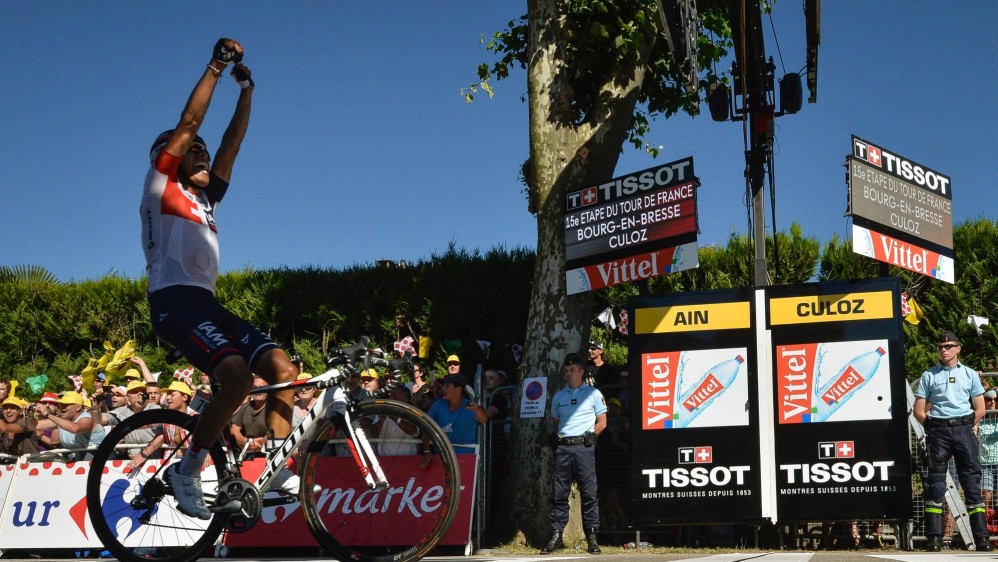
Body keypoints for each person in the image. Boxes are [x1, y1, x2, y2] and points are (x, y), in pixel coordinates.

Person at [141, 38, 298, 519]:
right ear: (169, 156)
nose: (203, 152)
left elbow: (231, 142)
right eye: (195, 151)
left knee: (282, 371)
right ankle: (185, 469)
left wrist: (247, 88)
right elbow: (191, 125)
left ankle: (273, 464)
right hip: (173, 302)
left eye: (203, 151)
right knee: (234, 377)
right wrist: (216, 66)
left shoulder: (206, 199)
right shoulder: (161, 185)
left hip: (207, 304)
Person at [914, 330, 993, 552]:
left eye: (949, 346)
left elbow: (980, 408)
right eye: (941, 346)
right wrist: (933, 428)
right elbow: (919, 411)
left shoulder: (969, 374)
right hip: (938, 432)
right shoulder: (929, 375)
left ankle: (982, 539)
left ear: (958, 348)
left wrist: (966, 427)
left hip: (963, 431)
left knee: (971, 484)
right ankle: (934, 539)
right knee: (935, 484)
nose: (944, 349)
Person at [541, 352, 607, 555]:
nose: (568, 373)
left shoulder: (594, 394)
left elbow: (602, 422)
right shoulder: (559, 396)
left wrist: (592, 436)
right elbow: (556, 423)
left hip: (583, 447)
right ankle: (557, 533)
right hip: (563, 448)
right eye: (566, 370)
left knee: (589, 493)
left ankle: (592, 536)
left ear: (581, 371)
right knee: (559, 493)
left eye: (572, 370)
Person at [28, 392, 106, 462]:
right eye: (61, 405)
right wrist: (30, 415)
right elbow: (36, 427)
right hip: (78, 462)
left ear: (78, 407)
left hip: (101, 461)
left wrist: (48, 415)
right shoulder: (62, 420)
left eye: (66, 405)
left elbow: (75, 428)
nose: (62, 407)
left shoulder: (88, 419)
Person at [428, 374, 486, 454]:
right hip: (442, 457)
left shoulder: (471, 406)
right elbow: (426, 428)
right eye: (443, 385)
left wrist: (478, 409)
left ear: (458, 389)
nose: (443, 388)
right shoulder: (438, 405)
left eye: (447, 386)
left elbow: (483, 420)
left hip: (466, 458)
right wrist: (427, 452)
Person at [230, 376, 270, 455]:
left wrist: (257, 444)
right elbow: (233, 431)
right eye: (255, 387)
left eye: (262, 388)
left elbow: (275, 434)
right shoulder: (245, 406)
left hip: (269, 454)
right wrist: (248, 443)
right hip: (246, 452)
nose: (258, 390)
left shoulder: (274, 409)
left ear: (269, 389)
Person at [979, 389, 998, 509]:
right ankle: (986, 524)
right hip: (985, 464)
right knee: (986, 498)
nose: (992, 402)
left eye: (995, 399)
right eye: (989, 399)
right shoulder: (979, 420)